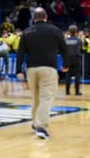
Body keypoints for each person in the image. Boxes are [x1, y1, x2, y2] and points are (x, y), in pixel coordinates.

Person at [16, 7, 69, 140]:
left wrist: (18, 70)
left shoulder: (27, 32)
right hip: (48, 68)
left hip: (31, 69)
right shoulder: (54, 30)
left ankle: (35, 123)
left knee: (36, 98)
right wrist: (66, 64)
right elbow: (64, 48)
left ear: (34, 19)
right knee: (46, 98)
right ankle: (41, 126)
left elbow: (20, 52)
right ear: (46, 17)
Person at [64, 24, 83, 95]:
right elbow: (81, 49)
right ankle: (77, 91)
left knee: (68, 75)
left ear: (69, 31)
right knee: (77, 75)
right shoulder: (79, 40)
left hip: (68, 58)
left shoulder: (65, 40)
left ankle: (67, 91)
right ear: (76, 32)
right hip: (76, 58)